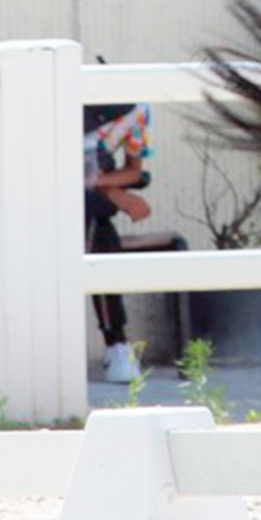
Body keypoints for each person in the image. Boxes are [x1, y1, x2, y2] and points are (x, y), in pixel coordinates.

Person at [83, 102, 152, 382]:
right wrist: (117, 196)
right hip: (48, 199)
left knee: (102, 239)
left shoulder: (135, 113)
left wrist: (107, 187)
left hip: (92, 202)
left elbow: (135, 172)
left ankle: (117, 344)